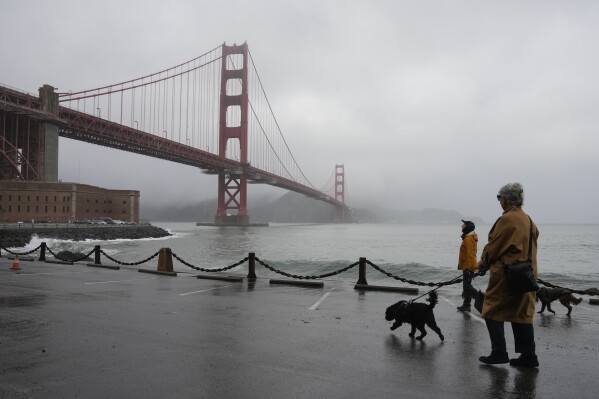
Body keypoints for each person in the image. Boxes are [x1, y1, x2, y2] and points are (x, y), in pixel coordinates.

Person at [477, 182, 539, 368]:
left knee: (491, 310)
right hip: (527, 274)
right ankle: (529, 357)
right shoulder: (528, 220)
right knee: (521, 314)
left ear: (504, 199)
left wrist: (482, 264)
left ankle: (499, 353)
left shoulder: (506, 219)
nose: (499, 201)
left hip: (507, 275)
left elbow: (493, 248)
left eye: (499, 198)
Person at [457, 220, 478, 312]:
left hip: (469, 267)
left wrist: (468, 269)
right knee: (466, 286)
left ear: (467, 227)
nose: (461, 226)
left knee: (467, 287)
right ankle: (467, 305)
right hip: (469, 266)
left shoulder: (468, 239)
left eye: (464, 225)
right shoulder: (468, 238)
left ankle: (484, 300)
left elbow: (469, 255)